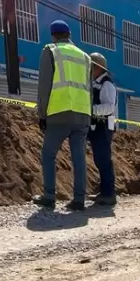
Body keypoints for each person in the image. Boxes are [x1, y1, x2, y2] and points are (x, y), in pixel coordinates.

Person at [34, 20, 91, 211]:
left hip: (59, 112)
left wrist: (42, 114)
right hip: (82, 113)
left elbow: (44, 86)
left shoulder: (50, 51)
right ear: (69, 35)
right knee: (79, 158)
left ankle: (49, 196)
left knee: (49, 154)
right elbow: (88, 88)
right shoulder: (85, 57)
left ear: (53, 36)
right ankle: (79, 199)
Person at [88, 51, 118, 206]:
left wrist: (91, 109)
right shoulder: (95, 83)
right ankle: (104, 191)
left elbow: (109, 107)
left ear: (97, 68)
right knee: (99, 159)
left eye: (91, 67)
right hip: (98, 125)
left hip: (105, 125)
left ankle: (109, 194)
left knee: (104, 159)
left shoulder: (107, 84)